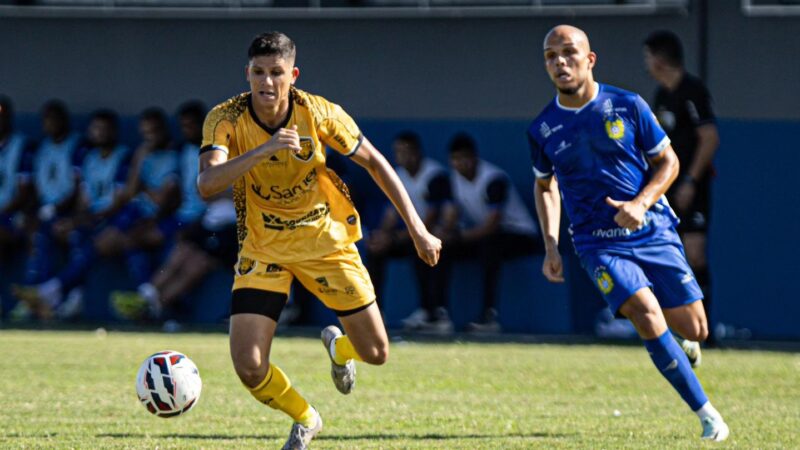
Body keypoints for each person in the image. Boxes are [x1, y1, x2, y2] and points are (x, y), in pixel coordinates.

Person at [197, 32, 440, 449]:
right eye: (258, 72)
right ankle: (306, 418)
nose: (267, 83)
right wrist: (264, 150)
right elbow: (206, 183)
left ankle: (340, 348)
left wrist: (417, 228)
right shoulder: (226, 117)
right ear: (248, 74)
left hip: (325, 241)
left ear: (292, 75)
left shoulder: (319, 112)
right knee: (249, 366)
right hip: (264, 247)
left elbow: (377, 165)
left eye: (276, 73)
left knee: (377, 352)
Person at [528, 25, 728, 441]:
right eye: (551, 56)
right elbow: (545, 186)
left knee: (697, 329)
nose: (560, 62)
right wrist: (551, 244)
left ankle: (682, 342)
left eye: (569, 53)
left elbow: (668, 163)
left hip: (651, 229)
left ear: (590, 59)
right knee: (644, 310)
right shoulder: (543, 128)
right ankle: (707, 414)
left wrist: (639, 204)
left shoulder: (628, 104)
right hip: (596, 242)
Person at [643, 30, 720, 341]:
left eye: (648, 57)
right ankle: (673, 329)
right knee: (667, 255)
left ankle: (704, 330)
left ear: (660, 59)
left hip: (692, 187)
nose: (646, 64)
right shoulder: (661, 96)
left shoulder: (693, 91)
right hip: (665, 189)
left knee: (695, 255)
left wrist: (690, 180)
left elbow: (710, 138)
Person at [446, 132, 542, 333]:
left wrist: (459, 236)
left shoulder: (493, 179)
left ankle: (489, 317)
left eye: (464, 158)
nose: (460, 163)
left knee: (490, 246)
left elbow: (492, 225)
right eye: (455, 159)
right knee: (443, 249)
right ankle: (437, 314)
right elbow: (453, 214)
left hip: (521, 236)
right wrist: (441, 235)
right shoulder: (455, 179)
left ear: (474, 157)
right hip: (486, 236)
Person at [366, 131, 454, 333]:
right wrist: (383, 236)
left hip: (433, 236)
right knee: (375, 249)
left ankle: (431, 312)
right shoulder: (397, 175)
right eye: (398, 152)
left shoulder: (435, 175)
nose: (402, 156)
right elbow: (390, 215)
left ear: (417, 152)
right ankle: (375, 312)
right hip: (409, 236)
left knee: (422, 250)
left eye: (406, 151)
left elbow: (431, 219)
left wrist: (398, 237)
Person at [13, 100, 83, 320]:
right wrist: (31, 213)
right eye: (46, 120)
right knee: (36, 234)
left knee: (76, 239)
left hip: (70, 213)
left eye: (54, 119)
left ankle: (69, 296)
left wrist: (53, 210)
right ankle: (34, 297)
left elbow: (79, 188)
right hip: (45, 213)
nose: (49, 124)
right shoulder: (41, 148)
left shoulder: (77, 145)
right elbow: (33, 188)